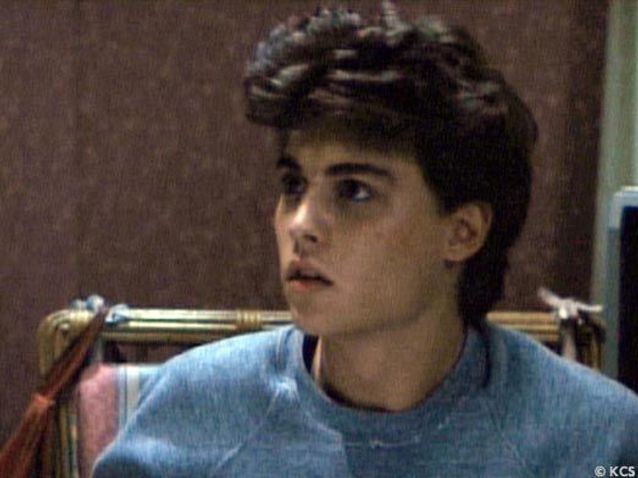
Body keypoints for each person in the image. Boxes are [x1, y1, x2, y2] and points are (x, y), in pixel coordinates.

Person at [93, 2, 638, 476]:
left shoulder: (593, 438)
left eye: (354, 191)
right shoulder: (192, 411)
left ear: (463, 231)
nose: (301, 223)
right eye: (293, 185)